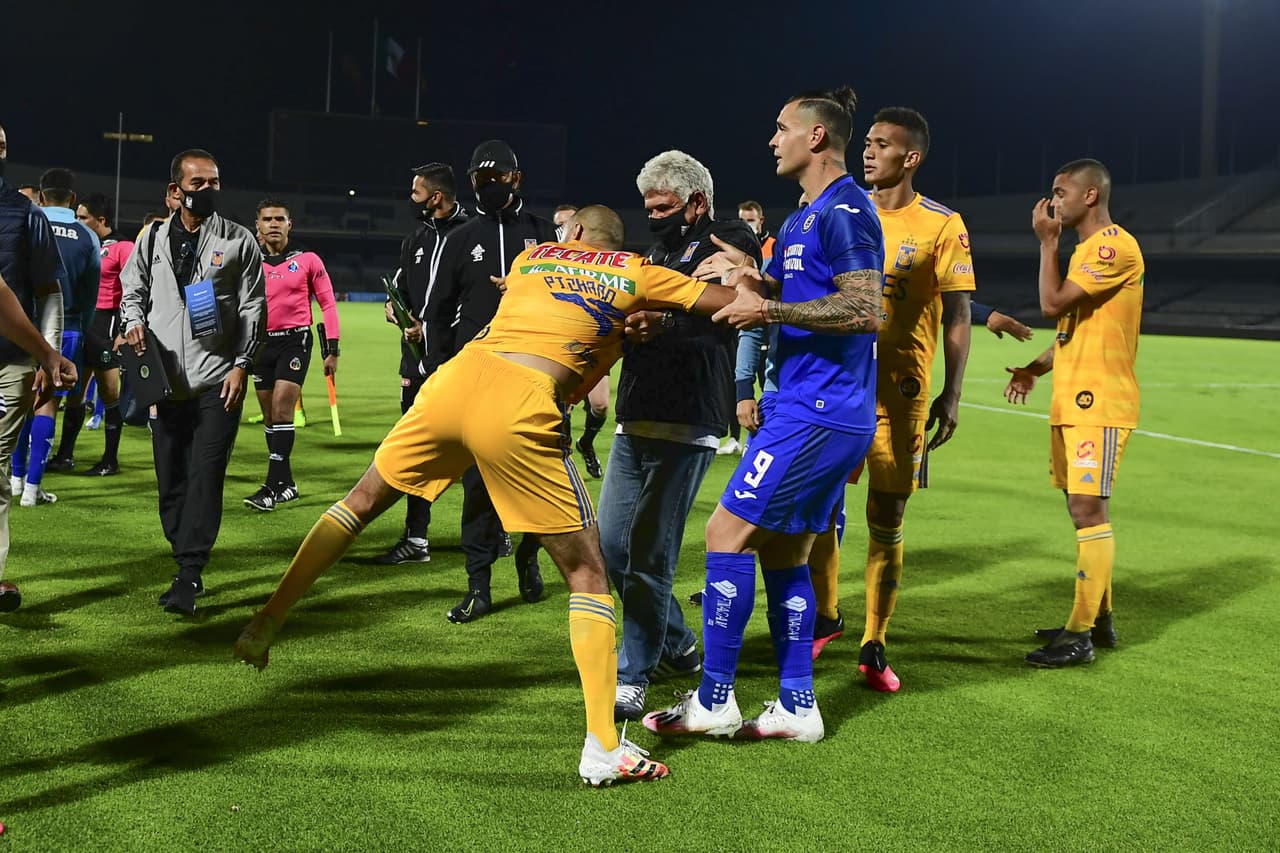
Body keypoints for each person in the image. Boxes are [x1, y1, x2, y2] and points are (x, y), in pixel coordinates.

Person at [233, 205, 743, 786]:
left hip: (455, 380)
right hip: (522, 399)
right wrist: (745, 274)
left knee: (360, 503)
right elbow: (726, 305)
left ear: (572, 233)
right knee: (586, 574)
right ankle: (604, 748)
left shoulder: (531, 257)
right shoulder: (636, 273)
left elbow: (531, 288)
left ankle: (267, 621)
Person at [645, 86, 883, 743]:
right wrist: (759, 279)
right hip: (812, 406)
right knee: (784, 553)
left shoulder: (846, 210)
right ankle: (797, 706)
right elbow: (817, 293)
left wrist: (767, 310)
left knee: (724, 534)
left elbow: (866, 310)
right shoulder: (806, 214)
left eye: (781, 129)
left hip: (818, 409)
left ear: (816, 138)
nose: (772, 140)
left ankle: (716, 699)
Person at [605, 150, 761, 722]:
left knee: (649, 551)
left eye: (664, 207)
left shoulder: (727, 236)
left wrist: (663, 321)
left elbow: (727, 306)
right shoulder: (656, 252)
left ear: (697, 202)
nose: (653, 217)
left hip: (688, 415)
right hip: (636, 412)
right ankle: (677, 644)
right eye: (648, 207)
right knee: (612, 547)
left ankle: (633, 674)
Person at [1005, 158, 1143, 668]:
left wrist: (1046, 243)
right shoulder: (1090, 252)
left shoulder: (1112, 246)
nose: (1053, 200)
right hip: (1074, 397)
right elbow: (1071, 332)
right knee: (1081, 510)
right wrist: (1033, 369)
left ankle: (1081, 634)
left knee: (1089, 511)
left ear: (1089, 196)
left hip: (1100, 402)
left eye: (1060, 192)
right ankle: (1097, 618)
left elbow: (1052, 303)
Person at [119, 148, 266, 616]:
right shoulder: (151, 239)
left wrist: (242, 363)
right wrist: (132, 320)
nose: (207, 190)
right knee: (171, 480)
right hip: (162, 382)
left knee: (205, 476)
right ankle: (183, 550)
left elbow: (252, 308)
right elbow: (133, 291)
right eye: (197, 183)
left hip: (216, 381)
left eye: (214, 182)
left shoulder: (239, 240)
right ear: (173, 192)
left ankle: (189, 571)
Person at [420, 139, 556, 622]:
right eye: (478, 179)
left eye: (494, 178)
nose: (485, 186)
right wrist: (438, 369)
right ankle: (479, 586)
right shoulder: (460, 238)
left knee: (541, 483)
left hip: (539, 380)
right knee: (478, 487)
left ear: (515, 179)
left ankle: (528, 554)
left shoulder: (545, 236)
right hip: (478, 381)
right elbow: (435, 313)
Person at [375, 163, 469, 564]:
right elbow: (400, 290)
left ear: (435, 197)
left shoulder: (473, 235)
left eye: (415, 194)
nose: (410, 201)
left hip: (462, 362)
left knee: (476, 451)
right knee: (416, 450)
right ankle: (416, 539)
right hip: (415, 363)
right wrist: (397, 312)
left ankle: (491, 531)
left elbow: (481, 302)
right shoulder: (415, 238)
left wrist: (429, 330)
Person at [0, 124, 77, 613]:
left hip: (10, 361)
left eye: (2, 145)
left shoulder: (24, 213)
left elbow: (49, 291)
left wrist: (46, 355)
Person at [243, 198, 340, 511]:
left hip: (294, 343)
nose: (273, 224)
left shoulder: (308, 259)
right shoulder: (249, 262)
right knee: (271, 417)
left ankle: (270, 488)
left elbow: (328, 304)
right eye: (267, 219)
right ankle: (288, 484)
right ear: (257, 225)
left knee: (283, 410)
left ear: (289, 224)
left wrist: (332, 349)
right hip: (260, 345)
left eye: (279, 219)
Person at [13, 170, 99, 505]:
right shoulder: (87, 237)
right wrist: (81, 329)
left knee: (20, 402)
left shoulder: (26, 223)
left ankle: (17, 480)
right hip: (70, 328)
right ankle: (33, 489)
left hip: (24, 326)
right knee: (48, 403)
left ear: (42, 197)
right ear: (73, 199)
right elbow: (90, 294)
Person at [71, 193, 133, 475]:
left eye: (83, 217)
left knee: (109, 392)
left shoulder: (122, 247)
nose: (78, 221)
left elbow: (134, 290)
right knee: (75, 392)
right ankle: (64, 455)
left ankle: (110, 459)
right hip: (82, 322)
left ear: (101, 220)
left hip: (107, 324)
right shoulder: (84, 243)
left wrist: (124, 329)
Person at [553, 204, 610, 479]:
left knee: (600, 405)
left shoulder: (598, 259)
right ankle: (563, 464)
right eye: (559, 224)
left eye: (568, 223)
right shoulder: (549, 259)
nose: (563, 228)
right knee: (561, 406)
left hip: (593, 340)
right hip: (560, 344)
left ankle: (586, 442)